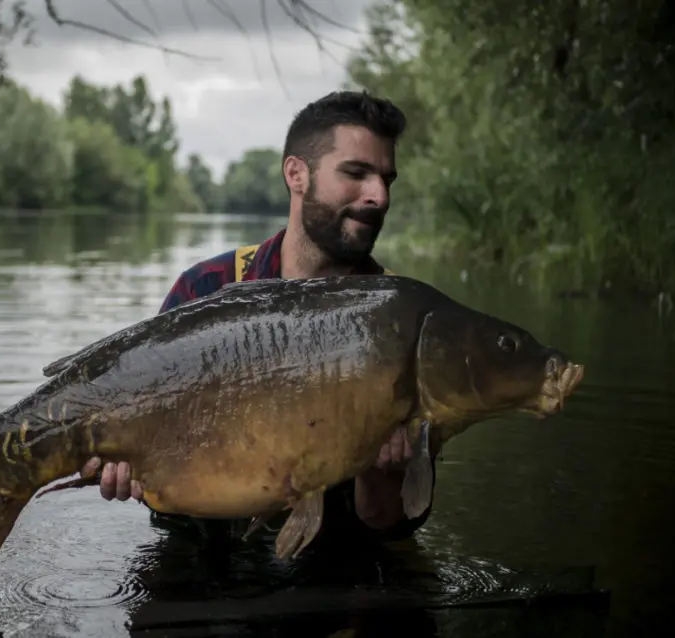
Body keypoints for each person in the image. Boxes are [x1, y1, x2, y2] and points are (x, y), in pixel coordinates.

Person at [82, 90, 441, 546]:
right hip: (204, 553)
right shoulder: (205, 287)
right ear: (297, 174)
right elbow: (154, 477)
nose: (379, 196)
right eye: (356, 173)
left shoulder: (407, 324)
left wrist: (381, 476)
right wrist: (131, 475)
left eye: (387, 178)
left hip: (335, 567)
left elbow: (392, 522)